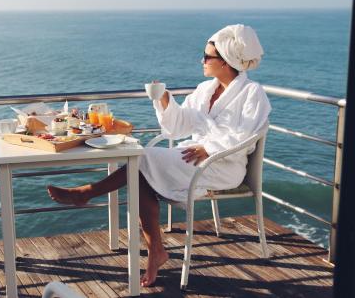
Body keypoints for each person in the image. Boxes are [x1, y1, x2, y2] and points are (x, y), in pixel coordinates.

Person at [47, 24, 271, 287]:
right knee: (140, 173)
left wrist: (209, 148)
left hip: (222, 164)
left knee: (142, 158)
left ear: (226, 61)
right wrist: (165, 101)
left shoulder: (252, 93)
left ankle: (86, 193)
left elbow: (245, 135)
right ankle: (156, 250)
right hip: (193, 156)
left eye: (207, 56)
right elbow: (179, 125)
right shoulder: (205, 90)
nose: (202, 60)